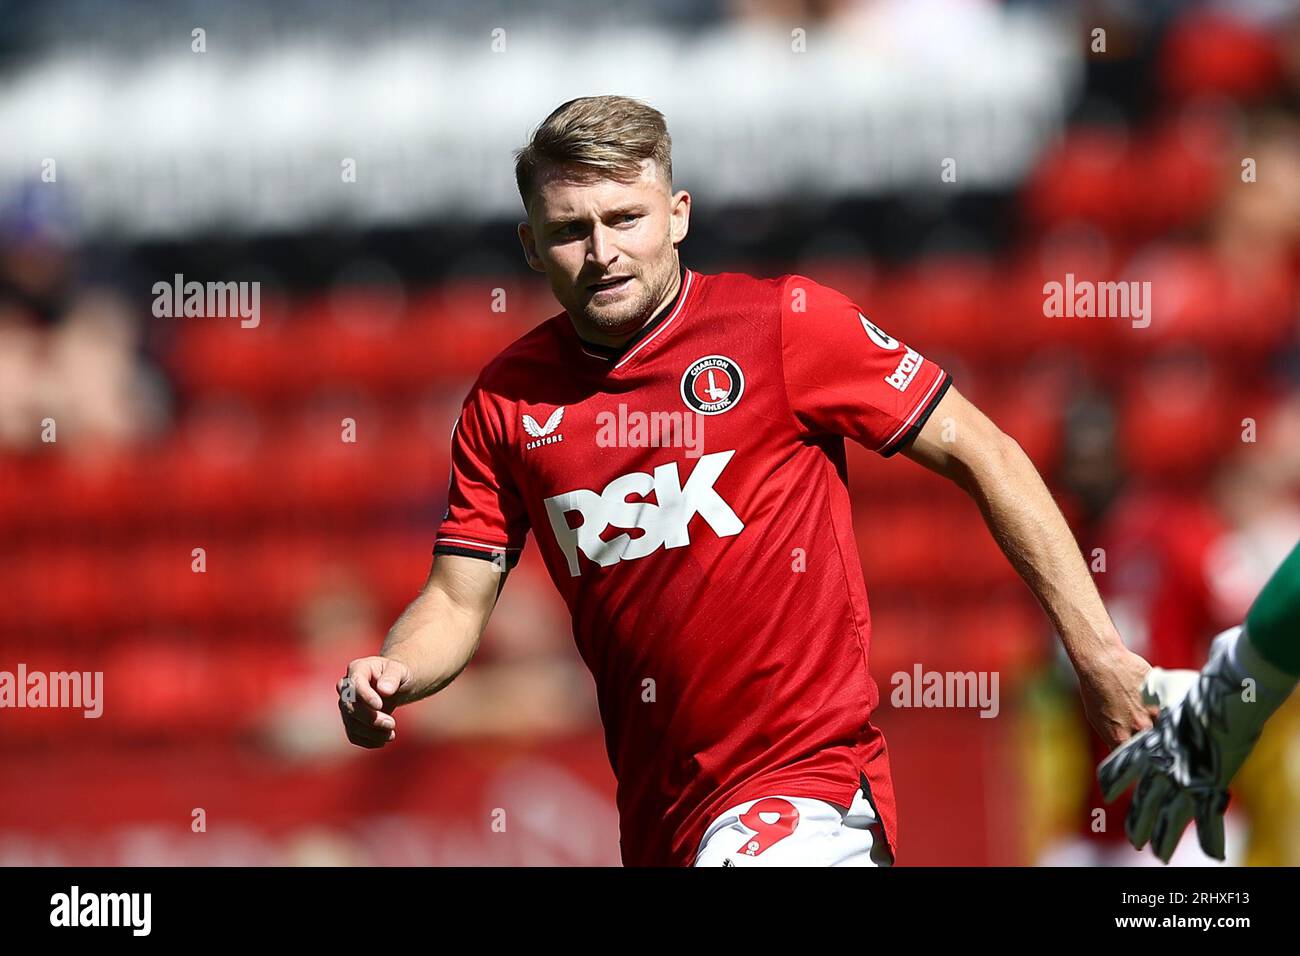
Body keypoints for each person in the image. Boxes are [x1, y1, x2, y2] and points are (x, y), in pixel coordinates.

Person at [337, 95, 1152, 867]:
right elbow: (454, 598)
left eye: (626, 219)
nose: (602, 252)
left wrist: (1097, 652)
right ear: (529, 245)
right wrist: (396, 670)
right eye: (570, 230)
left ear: (679, 215)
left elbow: (988, 453)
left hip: (808, 790)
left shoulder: (784, 328)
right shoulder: (506, 404)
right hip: (662, 818)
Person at [1100, 541, 1300, 863]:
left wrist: (1237, 691)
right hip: (1122, 799)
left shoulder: (1193, 537)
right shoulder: (1116, 532)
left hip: (1189, 808)